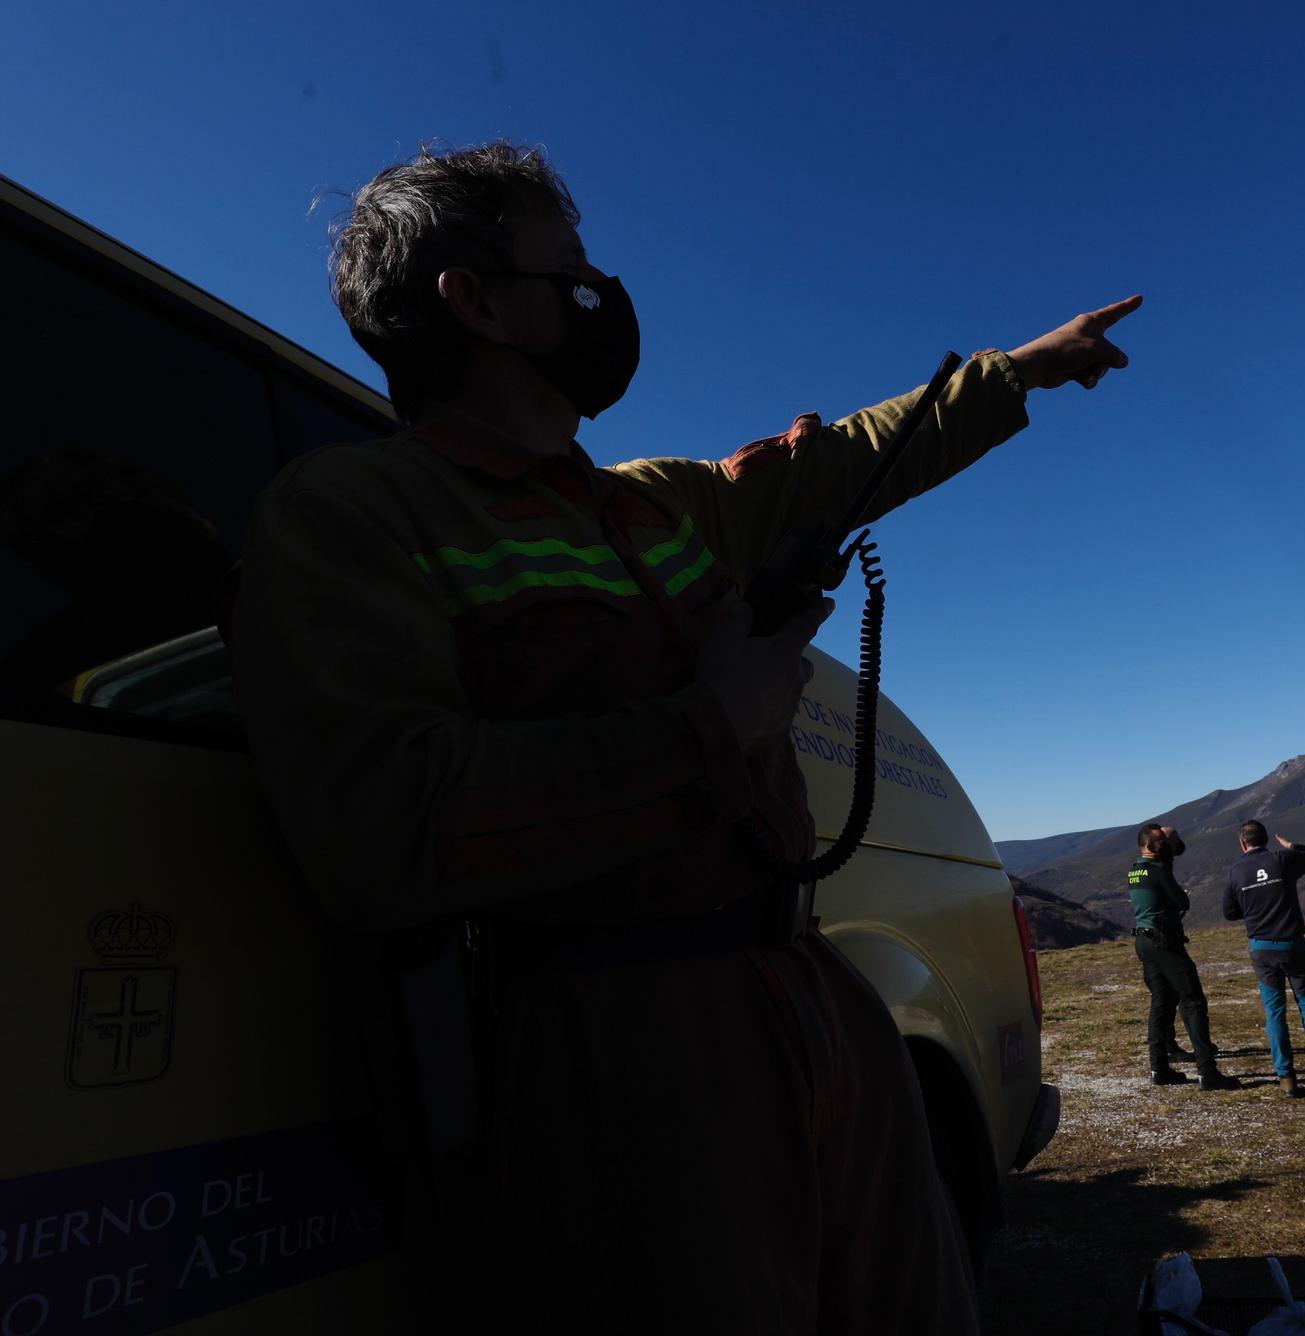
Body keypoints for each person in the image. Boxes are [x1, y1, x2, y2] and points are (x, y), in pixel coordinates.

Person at [227, 141, 1142, 1333]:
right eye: (570, 269)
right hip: (619, 1048)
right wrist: (716, 721)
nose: (599, 292)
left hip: (810, 996)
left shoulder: (655, 499)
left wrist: (1018, 371)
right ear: (478, 300)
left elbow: (846, 457)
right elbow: (387, 825)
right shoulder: (355, 513)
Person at [1222, 820, 1305, 1097]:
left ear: (1242, 844)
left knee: (1274, 1012)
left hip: (1262, 949)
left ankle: (1286, 1077)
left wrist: (1254, 905)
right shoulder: (1283, 859)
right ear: (1266, 839)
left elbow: (1229, 913)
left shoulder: (1236, 871)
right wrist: (1293, 846)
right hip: (1294, 946)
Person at [1127, 823, 1241, 1091]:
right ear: (1152, 846)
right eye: (1162, 842)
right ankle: (1207, 1071)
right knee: (1193, 1000)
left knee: (1161, 1001)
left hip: (1143, 940)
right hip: (1164, 941)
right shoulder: (1158, 871)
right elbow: (1182, 901)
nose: (1166, 846)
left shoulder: (1134, 870)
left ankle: (1159, 1067)